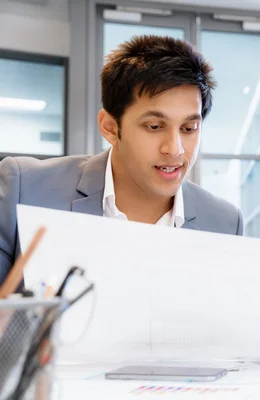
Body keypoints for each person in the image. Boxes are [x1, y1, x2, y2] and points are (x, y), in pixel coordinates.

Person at [0, 35, 243, 285]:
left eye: (189, 128)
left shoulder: (224, 223)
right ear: (110, 127)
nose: (175, 149)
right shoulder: (25, 190)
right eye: (154, 126)